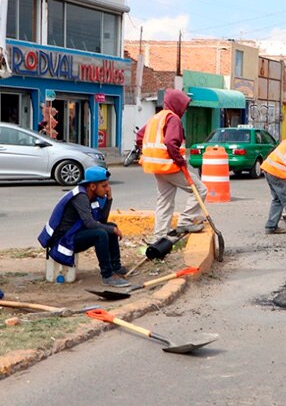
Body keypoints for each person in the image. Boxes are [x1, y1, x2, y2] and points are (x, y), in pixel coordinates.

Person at [37, 166, 130, 287]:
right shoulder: (81, 196)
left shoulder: (92, 196)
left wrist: (109, 199)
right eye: (104, 186)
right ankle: (107, 276)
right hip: (64, 240)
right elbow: (90, 223)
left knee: (110, 227)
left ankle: (115, 267)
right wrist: (113, 230)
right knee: (101, 234)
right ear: (92, 186)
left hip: (74, 234)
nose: (107, 189)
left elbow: (101, 221)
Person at [140, 89, 207, 242]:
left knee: (164, 201)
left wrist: (147, 152)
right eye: (184, 105)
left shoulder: (155, 118)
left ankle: (160, 236)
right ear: (177, 104)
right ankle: (186, 221)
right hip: (170, 165)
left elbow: (139, 136)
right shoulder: (173, 118)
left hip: (156, 167)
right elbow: (170, 142)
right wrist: (179, 160)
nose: (185, 108)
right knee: (200, 189)